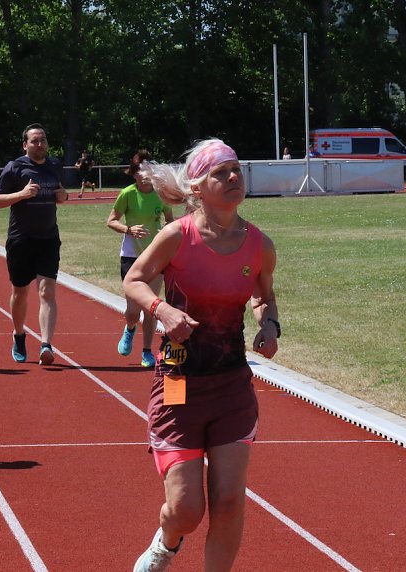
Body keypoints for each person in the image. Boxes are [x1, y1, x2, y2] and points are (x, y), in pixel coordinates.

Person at [123, 139, 279, 571]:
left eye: (236, 170)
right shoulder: (178, 236)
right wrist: (163, 309)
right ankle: (166, 542)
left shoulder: (259, 244)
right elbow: (134, 280)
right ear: (198, 187)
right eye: (221, 173)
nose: (233, 178)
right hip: (177, 381)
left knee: (229, 501)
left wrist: (269, 324)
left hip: (231, 384)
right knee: (188, 509)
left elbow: (264, 297)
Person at [0, 123, 68, 365]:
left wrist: (63, 195)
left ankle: (46, 344)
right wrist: (21, 195)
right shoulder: (15, 167)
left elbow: (61, 194)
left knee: (47, 292)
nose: (40, 144)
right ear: (25, 145)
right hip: (21, 239)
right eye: (34, 141)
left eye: (43, 140)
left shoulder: (54, 165)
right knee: (20, 292)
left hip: (48, 238)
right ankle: (19, 334)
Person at [106, 149, 173, 368]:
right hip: (131, 257)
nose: (145, 174)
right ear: (134, 173)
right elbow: (111, 221)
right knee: (133, 311)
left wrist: (168, 236)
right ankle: (130, 327)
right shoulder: (127, 193)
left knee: (151, 306)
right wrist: (129, 229)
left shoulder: (161, 194)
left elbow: (171, 221)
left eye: (149, 169)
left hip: (155, 257)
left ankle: (147, 351)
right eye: (141, 170)